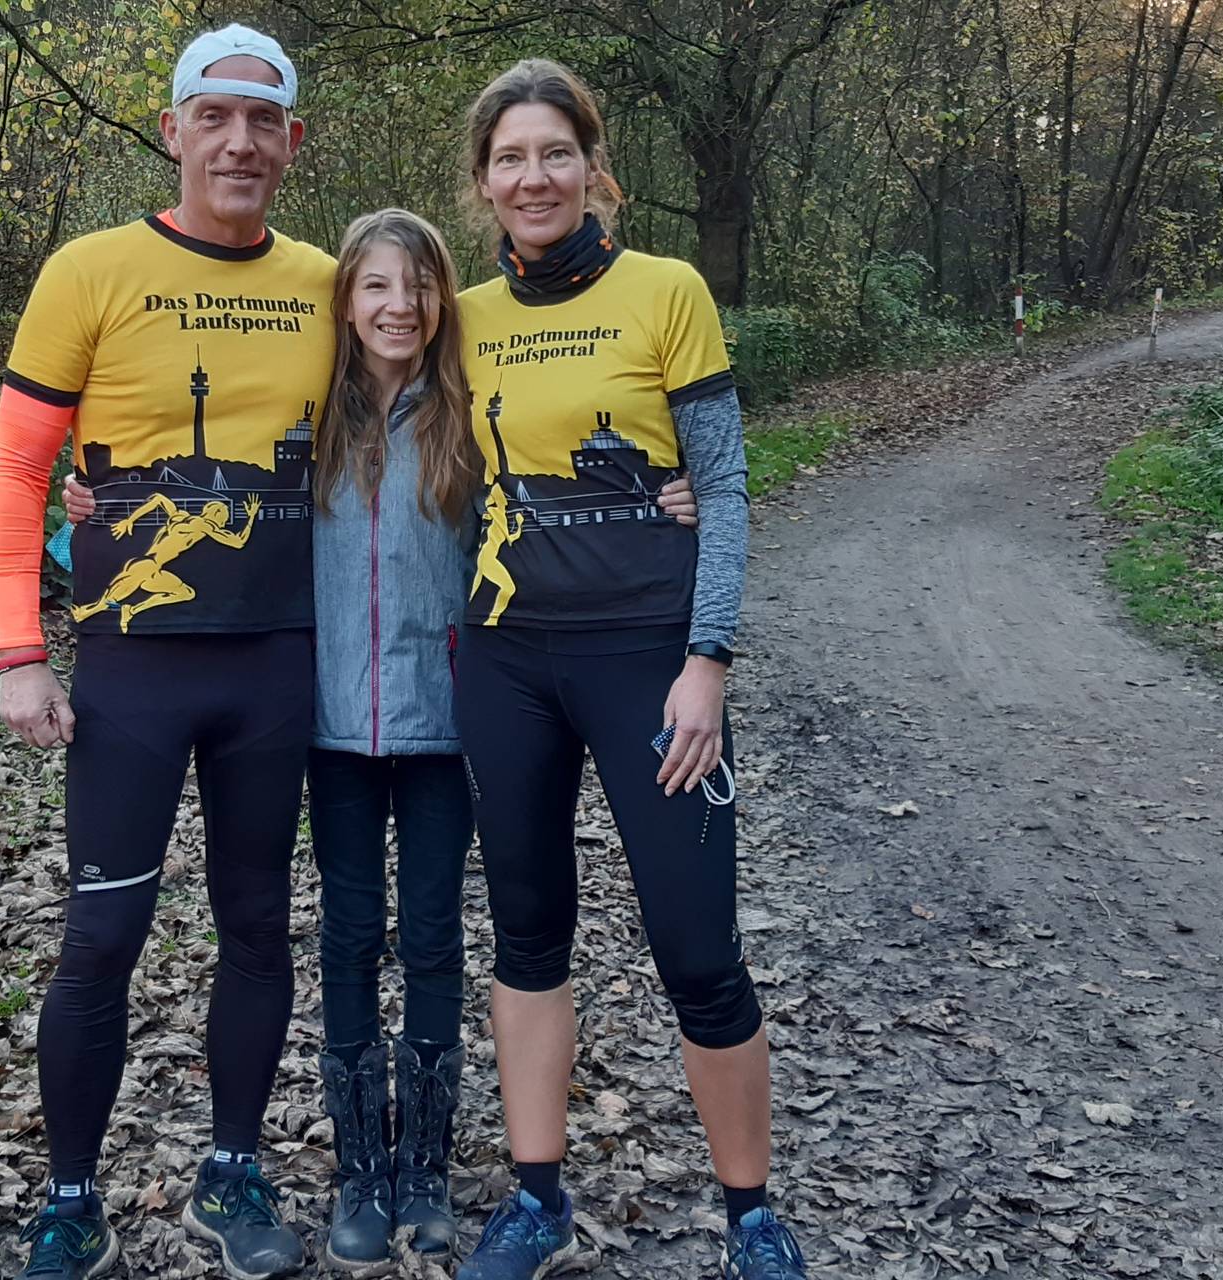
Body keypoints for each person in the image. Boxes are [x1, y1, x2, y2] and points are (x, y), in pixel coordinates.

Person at [63, 213, 699, 1270]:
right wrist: (85, 502)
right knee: (350, 938)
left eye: (418, 287)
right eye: (375, 288)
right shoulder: (306, 421)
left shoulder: (466, 418)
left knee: (439, 938)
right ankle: (361, 1168)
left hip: (449, 720)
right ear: (345, 302)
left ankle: (426, 1174)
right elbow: (188, 501)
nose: (398, 306)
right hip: (329, 725)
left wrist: (663, 498)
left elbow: (558, 492)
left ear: (443, 300)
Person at [442, 59, 807, 1280]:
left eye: (554, 154)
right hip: (505, 658)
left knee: (699, 945)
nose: (532, 177)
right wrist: (111, 496)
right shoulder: (463, 313)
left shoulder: (668, 290)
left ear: (595, 169)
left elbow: (728, 481)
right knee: (528, 930)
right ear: (483, 184)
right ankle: (536, 1196)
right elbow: (359, 438)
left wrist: (708, 660)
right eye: (509, 159)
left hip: (651, 661)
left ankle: (750, 1208)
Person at [0, 24, 332, 1280]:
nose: (239, 141)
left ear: (293, 143)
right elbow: (22, 468)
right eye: (214, 115)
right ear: (173, 127)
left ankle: (232, 1169)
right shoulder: (89, 269)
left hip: (277, 661)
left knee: (255, 926)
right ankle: (70, 1194)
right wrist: (23, 651)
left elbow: (423, 428)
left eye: (263, 121)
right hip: (131, 666)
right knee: (101, 937)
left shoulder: (328, 280)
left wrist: (666, 493)